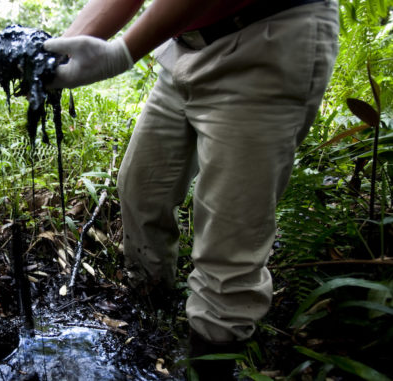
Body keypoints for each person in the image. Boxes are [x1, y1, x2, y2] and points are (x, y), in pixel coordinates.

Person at [44, 0, 339, 379]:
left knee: (228, 239)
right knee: (141, 187)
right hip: (185, 48)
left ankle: (209, 363)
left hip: (267, 39)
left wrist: (123, 52)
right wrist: (58, 51)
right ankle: (151, 319)